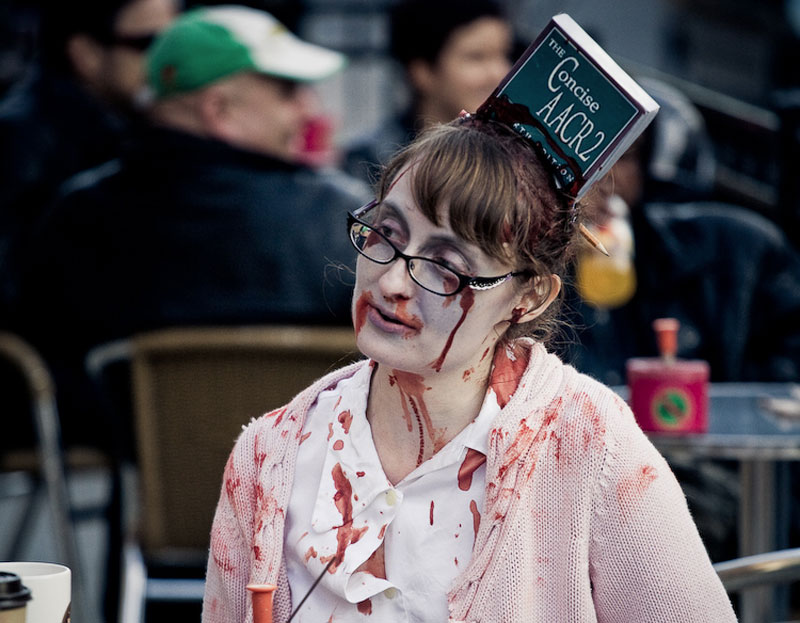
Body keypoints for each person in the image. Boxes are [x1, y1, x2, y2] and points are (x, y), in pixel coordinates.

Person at [202, 113, 736, 621]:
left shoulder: (590, 446)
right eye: (385, 235)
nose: (391, 283)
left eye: (445, 267)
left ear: (528, 298)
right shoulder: (271, 456)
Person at [13, 5, 369, 450]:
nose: (307, 110)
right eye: (287, 91)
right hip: (309, 481)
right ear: (218, 109)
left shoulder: (74, 219)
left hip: (144, 477)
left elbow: (45, 367)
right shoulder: (345, 221)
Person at [563, 77, 800, 386]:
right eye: (584, 156)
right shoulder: (516, 267)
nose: (603, 178)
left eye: (624, 157)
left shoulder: (736, 252)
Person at [0, 0, 178, 319]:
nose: (170, 61)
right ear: (87, 54)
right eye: (150, 43)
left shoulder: (141, 125)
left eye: (177, 41)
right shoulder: (22, 144)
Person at [341, 0, 513, 184]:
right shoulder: (369, 165)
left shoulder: (515, 160)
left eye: (504, 55)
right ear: (421, 71)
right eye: (476, 57)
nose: (499, 72)